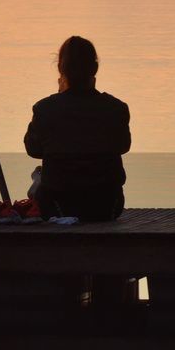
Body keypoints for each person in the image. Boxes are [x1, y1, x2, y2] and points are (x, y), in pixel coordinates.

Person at [24, 36, 130, 221]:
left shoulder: (45, 108)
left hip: (58, 207)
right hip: (108, 207)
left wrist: (60, 97)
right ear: (95, 68)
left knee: (38, 178)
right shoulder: (116, 108)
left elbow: (34, 149)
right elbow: (123, 146)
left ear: (60, 68)